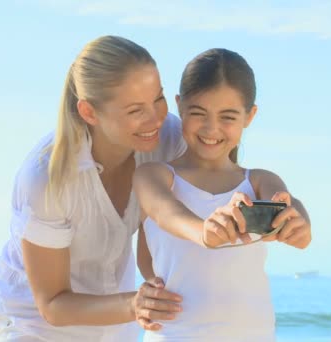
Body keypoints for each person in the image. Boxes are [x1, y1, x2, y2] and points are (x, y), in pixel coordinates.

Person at [0, 35, 187, 341]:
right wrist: (136, 304)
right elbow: (53, 304)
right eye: (135, 110)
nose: (156, 118)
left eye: (158, 99)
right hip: (35, 326)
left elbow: (222, 174)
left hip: (116, 322)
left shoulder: (168, 140)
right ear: (89, 112)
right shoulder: (46, 178)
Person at [133, 48, 312, 341]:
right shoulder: (154, 175)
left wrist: (299, 224)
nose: (211, 128)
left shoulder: (257, 181)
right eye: (198, 113)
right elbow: (165, 213)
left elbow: (287, 202)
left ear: (249, 116)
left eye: (227, 116)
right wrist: (204, 231)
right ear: (179, 106)